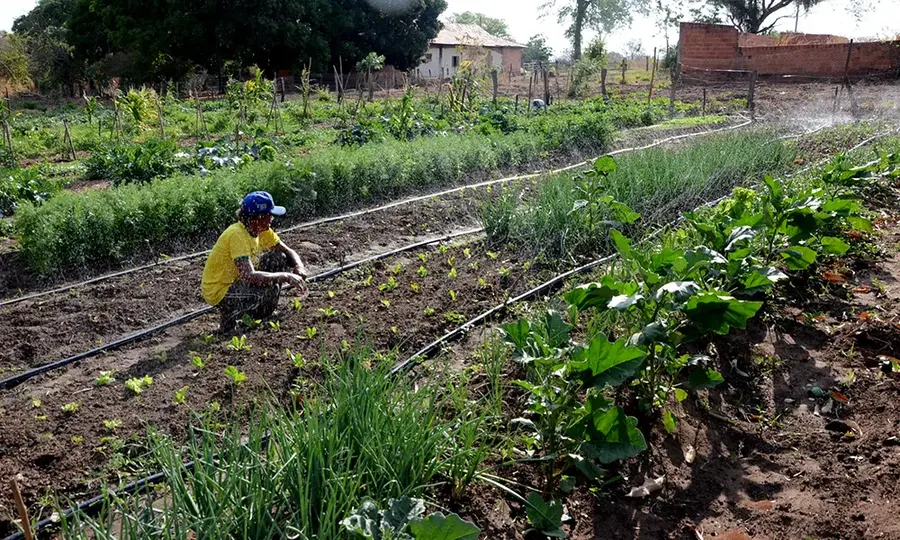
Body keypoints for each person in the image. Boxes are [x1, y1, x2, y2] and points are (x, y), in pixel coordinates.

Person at [201, 191, 309, 332]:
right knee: (267, 290)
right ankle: (232, 319)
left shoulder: (262, 230)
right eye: (269, 215)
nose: (272, 218)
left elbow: (287, 251)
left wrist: (298, 266)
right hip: (219, 290)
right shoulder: (237, 235)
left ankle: (242, 315)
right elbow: (248, 275)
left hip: (236, 281)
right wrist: (286, 276)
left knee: (278, 258)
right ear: (256, 218)